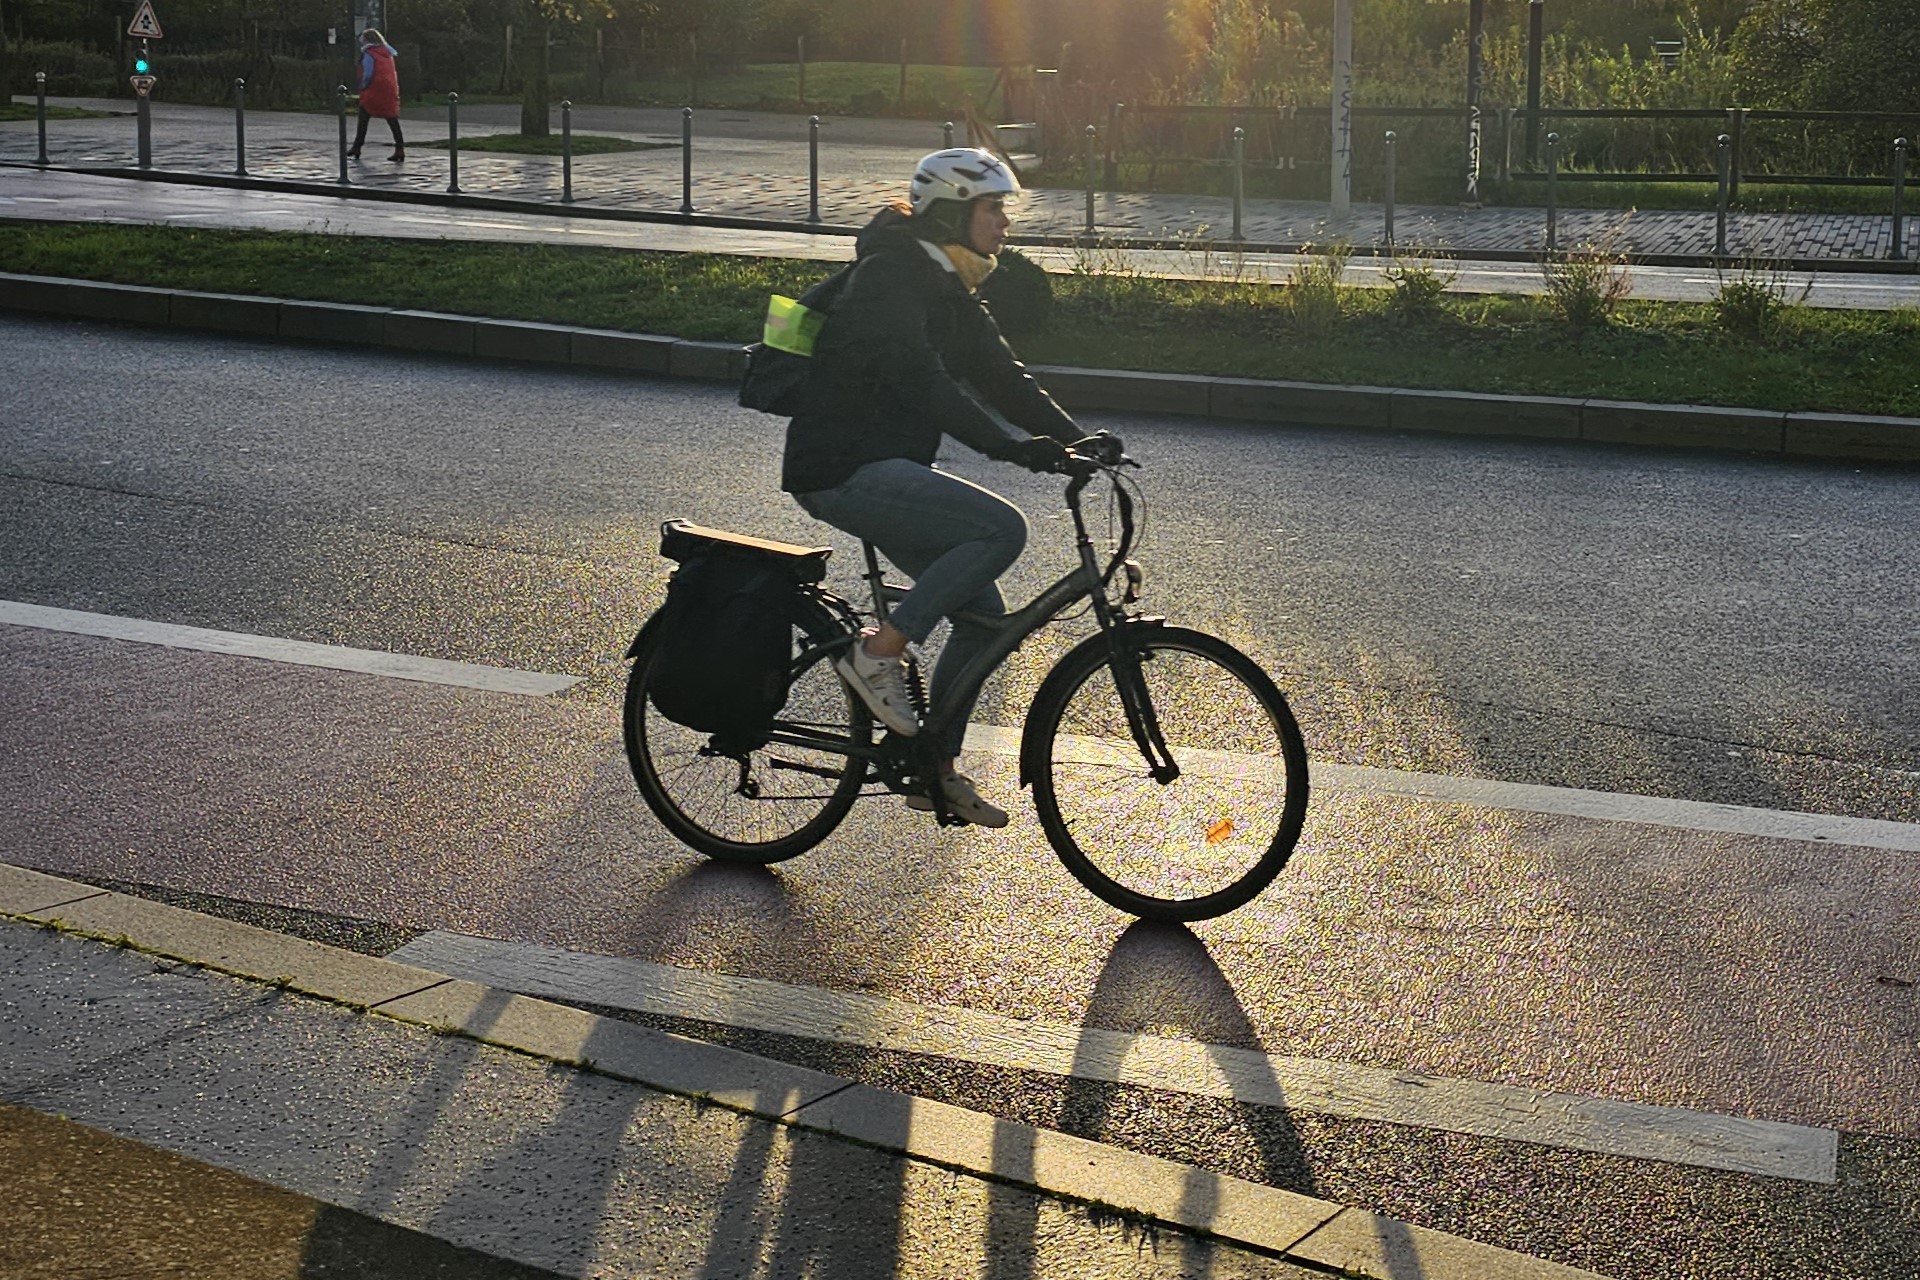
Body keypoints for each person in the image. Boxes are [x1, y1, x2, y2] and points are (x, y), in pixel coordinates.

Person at [783, 148, 1082, 829]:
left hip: (886, 469)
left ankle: (934, 770)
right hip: (841, 470)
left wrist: (1077, 440)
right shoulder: (891, 278)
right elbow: (925, 382)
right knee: (1001, 530)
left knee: (982, 616)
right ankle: (880, 649)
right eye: (994, 208)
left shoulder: (946, 283)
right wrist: (1009, 449)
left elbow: (1004, 376)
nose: (1005, 222)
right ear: (953, 212)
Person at [347, 28, 404, 162]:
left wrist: (362, 86)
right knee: (392, 119)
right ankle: (400, 149)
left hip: (374, 90)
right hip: (389, 89)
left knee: (363, 118)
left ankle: (357, 147)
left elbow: (368, 73)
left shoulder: (369, 53)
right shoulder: (387, 53)